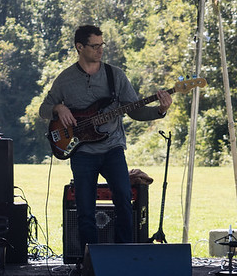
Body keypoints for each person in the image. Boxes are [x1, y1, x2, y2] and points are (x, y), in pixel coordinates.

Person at [39, 24, 172, 254]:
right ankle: (89, 262)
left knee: (123, 200)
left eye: (102, 45)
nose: (100, 50)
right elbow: (43, 109)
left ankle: (124, 257)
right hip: (81, 153)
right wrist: (59, 108)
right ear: (79, 47)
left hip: (112, 149)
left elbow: (135, 110)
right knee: (85, 209)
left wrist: (160, 111)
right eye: (95, 46)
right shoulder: (65, 79)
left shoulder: (115, 75)